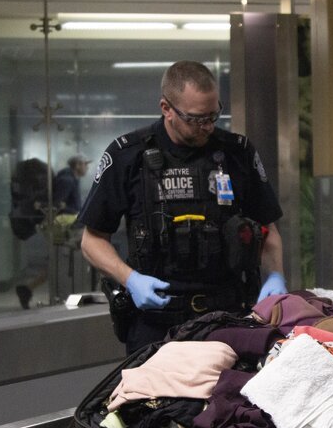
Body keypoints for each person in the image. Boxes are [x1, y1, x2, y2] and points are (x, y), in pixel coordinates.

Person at [78, 60, 288, 354]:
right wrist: (130, 279)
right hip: (156, 322)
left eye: (214, 114)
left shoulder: (237, 153)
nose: (209, 126)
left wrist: (275, 276)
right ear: (166, 108)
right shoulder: (128, 155)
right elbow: (91, 240)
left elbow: (268, 229)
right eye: (196, 118)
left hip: (228, 315)